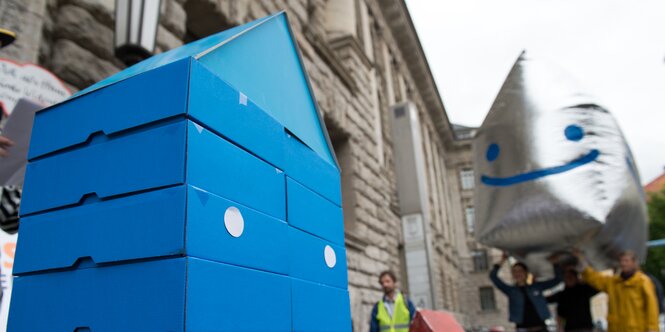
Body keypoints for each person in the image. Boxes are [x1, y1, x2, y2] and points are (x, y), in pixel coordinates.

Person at [575, 250, 659, 332]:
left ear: (634, 263)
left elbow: (652, 307)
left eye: (626, 261)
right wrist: (582, 264)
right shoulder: (614, 282)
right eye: (621, 261)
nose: (623, 264)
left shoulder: (643, 282)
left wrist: (652, 328)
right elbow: (595, 279)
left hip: (637, 329)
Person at [489, 253, 562, 332]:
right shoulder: (511, 291)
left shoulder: (536, 287)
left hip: (540, 328)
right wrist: (503, 260)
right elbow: (493, 276)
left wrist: (555, 263)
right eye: (514, 271)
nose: (517, 273)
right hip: (522, 329)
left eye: (520, 270)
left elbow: (558, 280)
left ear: (526, 273)